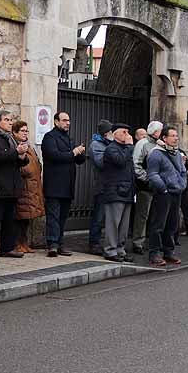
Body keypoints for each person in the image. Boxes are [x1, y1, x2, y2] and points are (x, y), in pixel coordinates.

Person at [0, 109, 29, 260]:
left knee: (10, 220)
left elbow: (19, 161)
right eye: (7, 120)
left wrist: (22, 156)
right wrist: (16, 152)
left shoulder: (11, 139)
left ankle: (7, 248)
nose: (10, 122)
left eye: (11, 120)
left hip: (12, 185)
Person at [41, 111, 86, 255]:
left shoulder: (69, 139)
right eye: (64, 120)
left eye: (69, 120)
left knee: (63, 217)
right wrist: (73, 153)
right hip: (54, 184)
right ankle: (52, 244)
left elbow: (79, 160)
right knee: (53, 216)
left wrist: (80, 153)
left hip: (68, 185)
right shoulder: (49, 137)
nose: (68, 123)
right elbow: (54, 155)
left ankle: (60, 243)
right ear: (56, 122)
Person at [145, 126, 187, 266]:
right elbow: (152, 174)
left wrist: (182, 184)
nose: (176, 138)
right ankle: (154, 253)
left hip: (176, 192)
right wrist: (163, 188)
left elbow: (182, 171)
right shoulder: (156, 154)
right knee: (158, 224)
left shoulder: (177, 153)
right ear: (164, 138)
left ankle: (169, 252)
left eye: (177, 136)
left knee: (172, 224)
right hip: (163, 194)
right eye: (173, 136)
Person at [99, 124, 135, 262]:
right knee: (113, 223)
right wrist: (130, 146)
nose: (127, 135)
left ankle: (120, 249)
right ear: (115, 134)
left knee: (124, 225)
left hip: (127, 190)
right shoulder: (111, 149)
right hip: (115, 191)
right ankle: (110, 250)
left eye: (128, 132)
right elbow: (120, 161)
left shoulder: (125, 149)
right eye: (124, 132)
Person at [131, 121, 163, 254]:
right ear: (155, 132)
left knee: (156, 215)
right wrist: (147, 179)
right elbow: (136, 164)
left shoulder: (159, 144)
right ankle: (138, 242)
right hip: (145, 186)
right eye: (160, 130)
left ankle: (153, 242)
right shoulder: (142, 144)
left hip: (157, 185)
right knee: (142, 215)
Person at [13, 120, 44, 253]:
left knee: (27, 218)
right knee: (19, 217)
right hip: (22, 186)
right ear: (15, 132)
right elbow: (21, 166)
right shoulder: (16, 146)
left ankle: (24, 243)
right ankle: (17, 244)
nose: (25, 133)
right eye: (22, 131)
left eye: (27, 131)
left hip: (32, 186)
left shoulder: (30, 146)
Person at [86, 120, 114, 254]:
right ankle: (94, 243)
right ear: (105, 133)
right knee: (98, 216)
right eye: (110, 132)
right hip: (102, 185)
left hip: (113, 185)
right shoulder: (96, 145)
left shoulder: (110, 144)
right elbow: (101, 162)